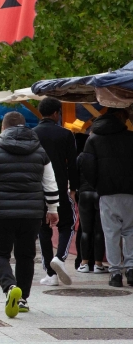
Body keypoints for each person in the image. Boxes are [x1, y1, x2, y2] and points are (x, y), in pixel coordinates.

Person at [0, 111, 59, 317]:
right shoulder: (40, 152)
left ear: (3, 128)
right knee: (26, 255)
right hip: (31, 214)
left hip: (1, 213)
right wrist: (53, 209)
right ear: (24, 126)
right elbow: (50, 183)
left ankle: (10, 287)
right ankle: (22, 299)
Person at [80, 108, 133, 288]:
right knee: (130, 231)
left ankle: (115, 273)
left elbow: (86, 163)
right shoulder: (131, 137)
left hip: (107, 193)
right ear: (123, 119)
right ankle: (131, 269)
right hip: (130, 192)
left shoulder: (93, 139)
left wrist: (97, 184)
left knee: (111, 233)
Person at [32, 98, 79, 287]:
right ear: (56, 114)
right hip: (59, 187)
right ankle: (59, 257)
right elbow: (73, 165)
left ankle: (50, 274)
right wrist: (74, 188)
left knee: (42, 228)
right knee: (67, 224)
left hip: (37, 188)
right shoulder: (66, 135)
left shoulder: (32, 134)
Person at [74, 134, 106, 274]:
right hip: (100, 194)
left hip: (84, 194)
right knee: (99, 231)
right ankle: (98, 264)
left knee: (85, 230)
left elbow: (75, 176)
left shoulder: (81, 157)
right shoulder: (103, 157)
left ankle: (84, 263)